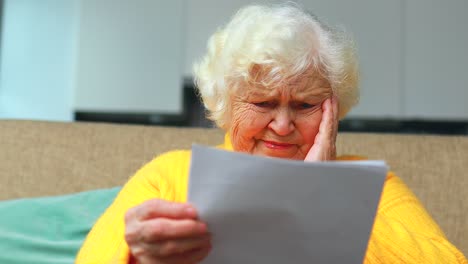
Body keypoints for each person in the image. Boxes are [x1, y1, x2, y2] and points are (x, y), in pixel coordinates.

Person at [76, 3, 467, 264]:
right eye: (262, 104)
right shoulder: (169, 175)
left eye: (304, 105)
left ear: (334, 108)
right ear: (226, 104)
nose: (282, 126)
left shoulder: (372, 186)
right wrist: (135, 254)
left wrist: (324, 197)